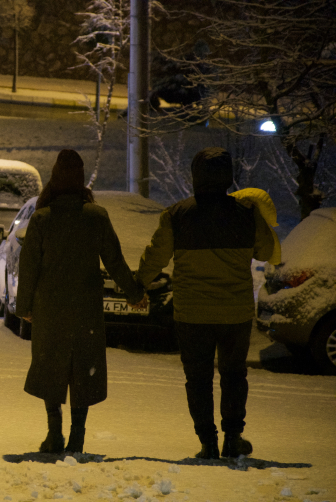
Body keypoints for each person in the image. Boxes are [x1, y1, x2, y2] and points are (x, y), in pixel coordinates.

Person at [135, 147, 275, 459]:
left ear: (196, 176)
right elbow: (265, 252)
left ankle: (207, 443)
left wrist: (136, 286)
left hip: (192, 315)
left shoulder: (177, 215)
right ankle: (233, 439)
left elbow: (155, 257)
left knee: (198, 379)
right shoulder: (246, 212)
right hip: (235, 313)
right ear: (228, 177)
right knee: (234, 376)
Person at [16, 149, 145, 454]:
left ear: (56, 177)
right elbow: (115, 261)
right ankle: (77, 436)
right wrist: (134, 293)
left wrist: (24, 308)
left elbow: (28, 267)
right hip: (86, 308)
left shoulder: (42, 218)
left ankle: (53, 434)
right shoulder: (96, 217)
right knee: (82, 370)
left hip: (50, 309)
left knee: (51, 367)